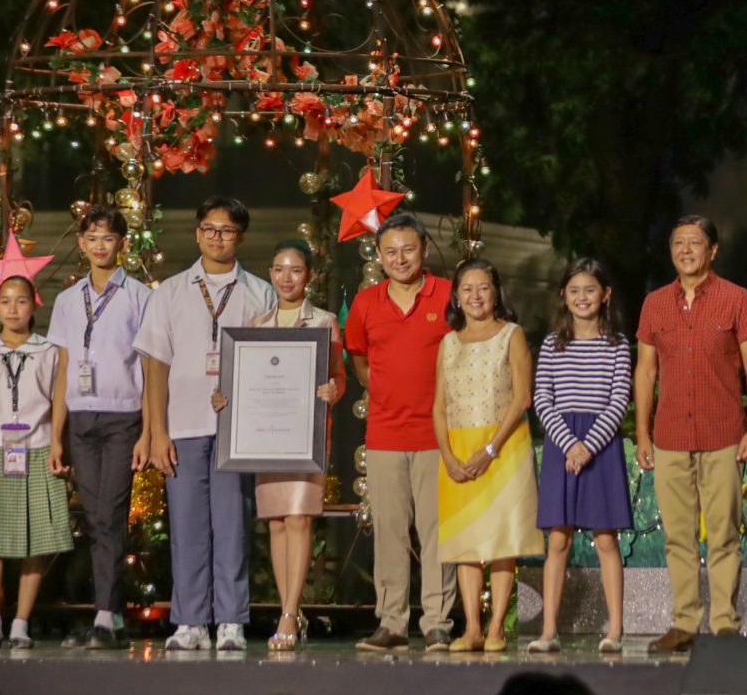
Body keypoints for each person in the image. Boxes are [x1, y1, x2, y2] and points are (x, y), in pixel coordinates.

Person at [135, 196, 272, 653]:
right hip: (183, 425)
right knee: (188, 524)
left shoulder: (259, 291)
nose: (217, 237)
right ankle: (190, 620)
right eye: (210, 229)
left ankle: (231, 619)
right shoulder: (170, 291)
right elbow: (155, 366)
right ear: (197, 233)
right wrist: (155, 432)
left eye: (227, 230)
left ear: (240, 237)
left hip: (239, 428)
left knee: (233, 523)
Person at [634, 215, 747, 654]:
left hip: (724, 432)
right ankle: (684, 622)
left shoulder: (736, 299)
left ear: (713, 251)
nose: (685, 250)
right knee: (677, 534)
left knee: (725, 531)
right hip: (670, 434)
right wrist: (642, 432)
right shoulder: (655, 303)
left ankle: (725, 621)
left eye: (695, 243)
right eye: (678, 243)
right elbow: (646, 370)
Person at [215, 243, 344, 652]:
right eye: (280, 270)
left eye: (296, 271)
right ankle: (291, 611)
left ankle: (289, 611)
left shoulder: (323, 322)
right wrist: (226, 399)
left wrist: (332, 390)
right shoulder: (256, 323)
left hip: (304, 437)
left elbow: (339, 378)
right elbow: (245, 380)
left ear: (309, 276)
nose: (287, 278)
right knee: (275, 521)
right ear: (271, 273)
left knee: (300, 519)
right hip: (267, 436)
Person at [343, 210, 456, 653]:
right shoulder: (367, 303)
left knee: (436, 531)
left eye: (408, 249)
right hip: (385, 433)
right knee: (389, 530)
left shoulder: (448, 296)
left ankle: (437, 623)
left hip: (437, 435)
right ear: (380, 255)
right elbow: (359, 357)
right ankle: (391, 623)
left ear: (424, 250)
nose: (400, 258)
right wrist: (385, 391)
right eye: (390, 251)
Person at [45, 205, 152, 649]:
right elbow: (64, 365)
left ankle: (106, 616)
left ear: (122, 243)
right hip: (80, 418)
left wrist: (149, 431)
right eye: (92, 238)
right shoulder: (69, 301)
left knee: (110, 512)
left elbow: (150, 366)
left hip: (123, 416)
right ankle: (112, 616)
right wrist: (56, 435)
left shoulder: (140, 296)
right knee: (95, 518)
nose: (100, 245)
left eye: (108, 238)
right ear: (82, 243)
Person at [0, 274, 74, 649]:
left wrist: (57, 443)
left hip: (36, 448)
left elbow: (59, 403)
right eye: (5, 301)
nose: (13, 308)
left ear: (33, 305)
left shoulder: (50, 351)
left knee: (37, 538)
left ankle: (21, 622)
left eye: (21, 301)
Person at [435, 257, 543, 652]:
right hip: (459, 449)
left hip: (504, 448)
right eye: (468, 289)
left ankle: (496, 626)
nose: (476, 296)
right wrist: (447, 455)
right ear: (457, 296)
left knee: (501, 540)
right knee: (465, 542)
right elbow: (439, 406)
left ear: (495, 292)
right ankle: (472, 629)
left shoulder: (511, 335)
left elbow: (522, 398)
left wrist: (491, 448)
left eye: (483, 288)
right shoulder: (448, 342)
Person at [530, 257, 633, 653]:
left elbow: (618, 401)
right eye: (574, 290)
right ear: (563, 296)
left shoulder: (617, 344)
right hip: (561, 446)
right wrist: (568, 443)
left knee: (605, 539)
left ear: (605, 295)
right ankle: (549, 631)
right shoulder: (553, 344)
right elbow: (543, 399)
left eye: (590, 289)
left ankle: (615, 631)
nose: (582, 297)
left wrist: (588, 445)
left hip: (600, 447)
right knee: (558, 539)